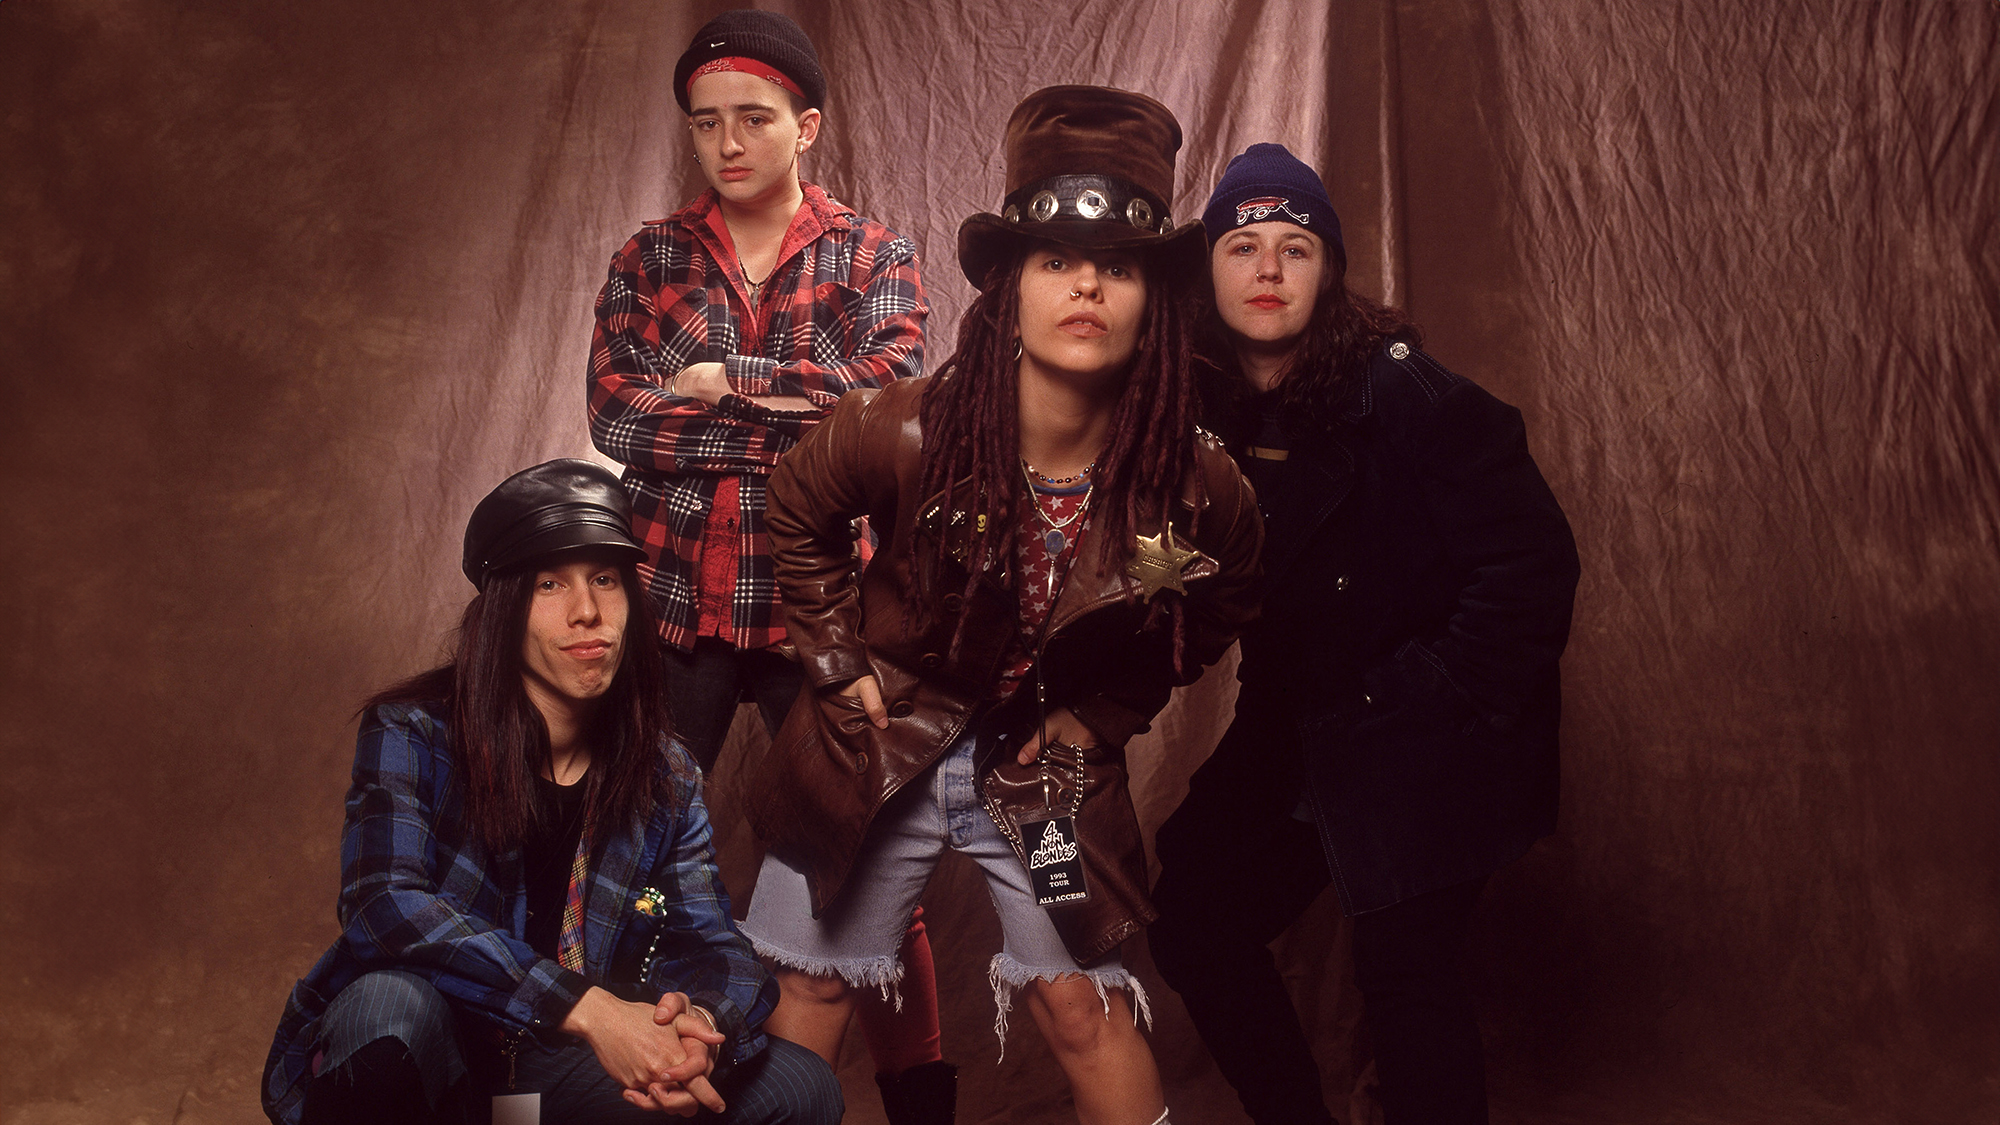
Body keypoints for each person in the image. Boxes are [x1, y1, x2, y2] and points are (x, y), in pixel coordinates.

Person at [737, 86, 1263, 1125]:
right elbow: (794, 507)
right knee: (814, 983)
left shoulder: (1195, 485)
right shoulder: (907, 427)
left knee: (1082, 1007)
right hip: (876, 751)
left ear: (1153, 301)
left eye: (1116, 268)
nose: (1085, 288)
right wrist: (837, 665)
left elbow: (1223, 598)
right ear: (1007, 288)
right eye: (1056, 262)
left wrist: (1103, 713)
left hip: (1043, 776)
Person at [1147, 143, 1582, 1125]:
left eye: (1294, 247)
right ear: (1206, 270)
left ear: (1329, 271)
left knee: (1403, 976)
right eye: (1241, 246)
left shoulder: (1408, 394)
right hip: (1301, 714)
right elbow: (1184, 566)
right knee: (1194, 922)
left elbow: (1531, 568)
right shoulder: (1201, 407)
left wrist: (1426, 696)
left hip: (1424, 726)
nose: (1266, 269)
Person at [586, 11, 949, 1118]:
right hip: (675, 605)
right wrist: (792, 407)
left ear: (806, 127)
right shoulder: (647, 257)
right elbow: (621, 421)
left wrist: (718, 381)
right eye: (706, 125)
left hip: (820, 615)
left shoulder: (870, 254)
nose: (728, 143)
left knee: (864, 865)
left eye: (752, 120)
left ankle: (919, 1101)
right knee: (635, 858)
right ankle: (632, 1086)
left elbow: (885, 405)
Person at [261, 460, 841, 1125]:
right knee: (386, 1009)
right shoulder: (414, 732)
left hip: (549, 1076)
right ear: (506, 607)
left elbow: (715, 944)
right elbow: (383, 908)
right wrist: (588, 1007)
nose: (587, 610)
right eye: (550, 583)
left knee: (802, 1088)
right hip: (441, 1060)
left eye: (604, 579)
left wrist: (699, 1030)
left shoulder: (664, 772)